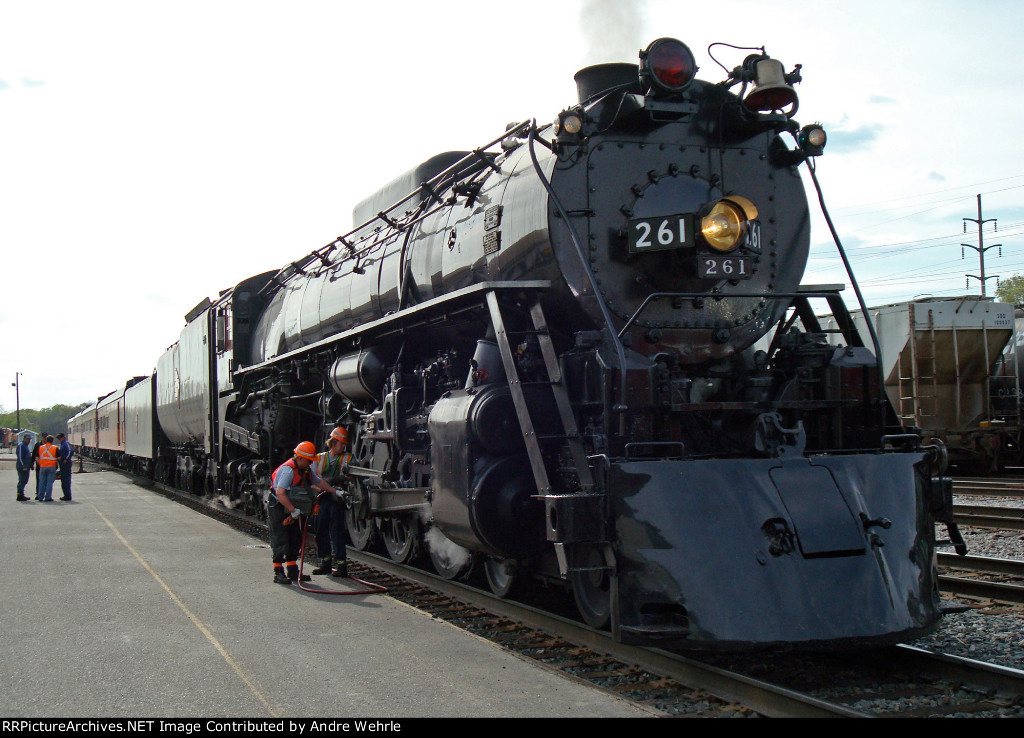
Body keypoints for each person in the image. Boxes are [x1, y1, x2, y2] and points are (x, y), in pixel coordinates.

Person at [267, 441, 341, 585]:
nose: (310, 464)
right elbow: (280, 493)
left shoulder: (305, 470)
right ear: (300, 458)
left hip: (291, 508)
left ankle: (292, 570)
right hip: (279, 507)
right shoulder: (288, 470)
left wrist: (336, 491)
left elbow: (319, 482)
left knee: (294, 538)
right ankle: (278, 572)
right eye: (308, 461)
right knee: (280, 538)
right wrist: (293, 511)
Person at [311, 427, 352, 578]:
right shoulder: (319, 458)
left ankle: (341, 565)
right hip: (321, 498)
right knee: (320, 530)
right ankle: (325, 563)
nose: (343, 446)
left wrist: (338, 480)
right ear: (333, 442)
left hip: (337, 499)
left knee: (337, 531)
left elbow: (353, 476)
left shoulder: (348, 458)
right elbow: (311, 479)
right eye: (341, 443)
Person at [36, 435, 59, 502]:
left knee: (42, 482)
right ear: (52, 441)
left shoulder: (41, 447)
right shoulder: (55, 448)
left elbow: (36, 458)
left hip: (43, 467)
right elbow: (59, 457)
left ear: (46, 440)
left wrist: (40, 464)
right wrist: (55, 460)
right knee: (49, 482)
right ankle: (48, 497)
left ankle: (40, 497)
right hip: (52, 467)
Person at [56, 433, 74, 501]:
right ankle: (66, 495)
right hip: (63, 464)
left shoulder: (66, 443)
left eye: (60, 438)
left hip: (66, 464)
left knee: (66, 480)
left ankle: (67, 495)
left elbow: (70, 451)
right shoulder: (63, 444)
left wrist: (66, 458)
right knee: (63, 480)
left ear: (63, 437)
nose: (59, 440)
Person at [15, 434, 33, 501]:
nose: (29, 441)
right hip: (22, 467)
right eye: (28, 439)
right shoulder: (21, 445)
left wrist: (30, 465)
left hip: (27, 466)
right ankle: (19, 495)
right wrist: (23, 466)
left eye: (29, 439)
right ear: (24, 438)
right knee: (22, 480)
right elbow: (20, 457)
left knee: (25, 480)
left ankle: (22, 493)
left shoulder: (26, 446)